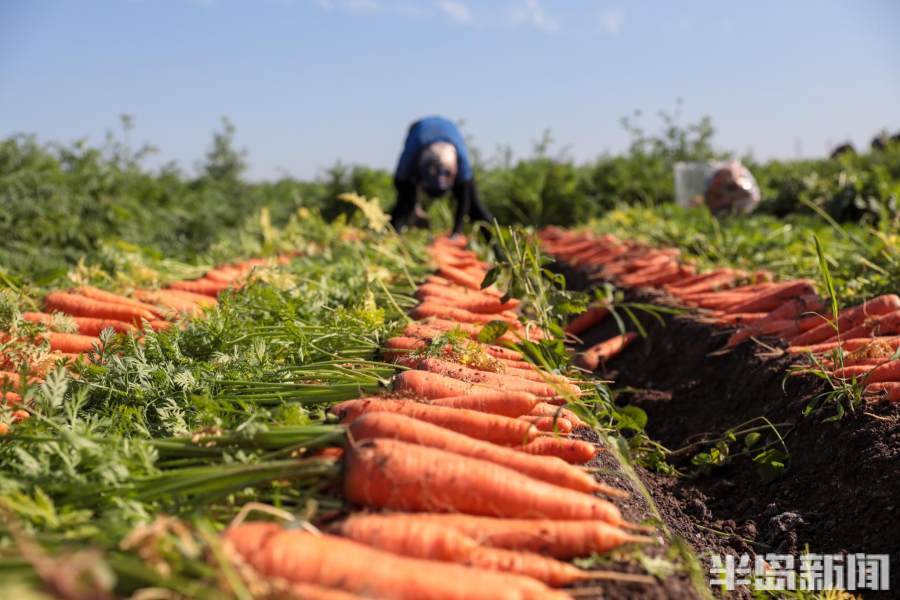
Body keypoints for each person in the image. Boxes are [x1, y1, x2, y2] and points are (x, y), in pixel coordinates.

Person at [390, 116, 494, 236]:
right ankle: (392, 237)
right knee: (403, 206)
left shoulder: (462, 162)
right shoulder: (411, 156)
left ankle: (497, 247)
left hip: (449, 130)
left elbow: (465, 200)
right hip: (420, 132)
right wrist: (414, 207)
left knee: (476, 209)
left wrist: (457, 231)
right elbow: (400, 183)